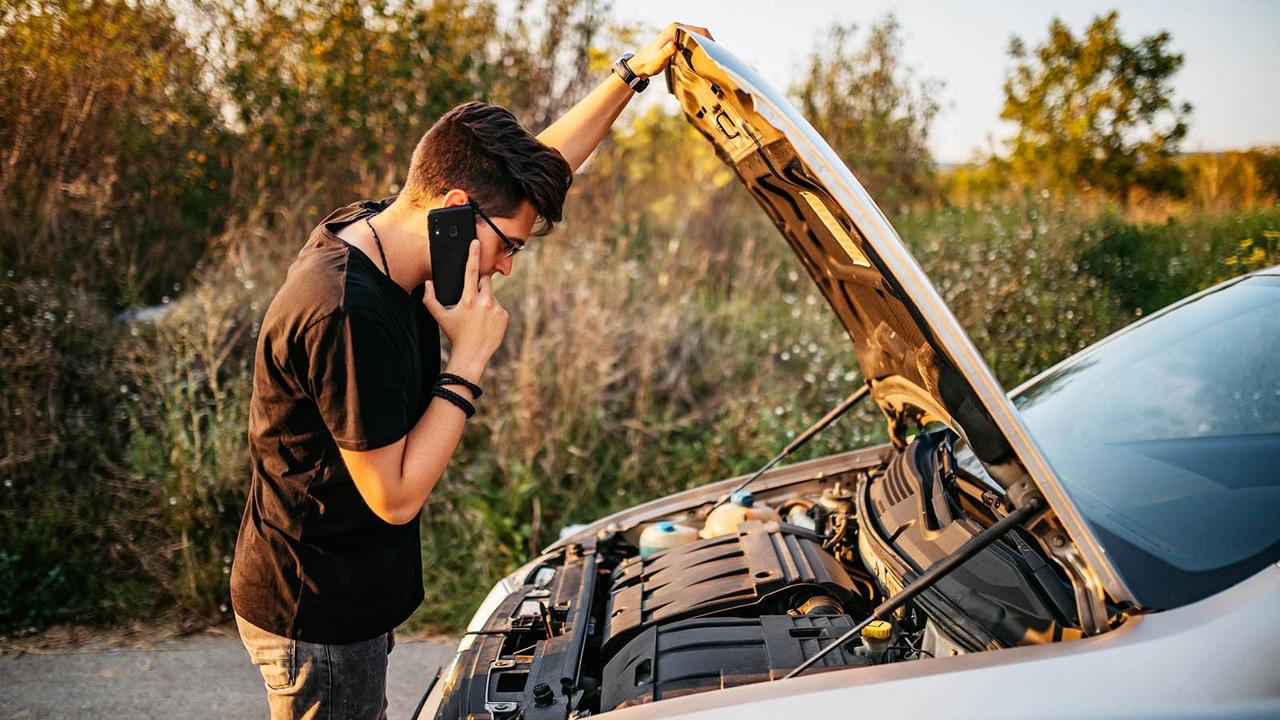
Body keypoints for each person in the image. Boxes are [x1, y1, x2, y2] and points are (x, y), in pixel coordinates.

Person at [228, 21, 711, 720]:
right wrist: (470, 359)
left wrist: (632, 75)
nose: (508, 266)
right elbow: (394, 496)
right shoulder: (345, 312)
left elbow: (541, 167)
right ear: (457, 209)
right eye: (509, 245)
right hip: (319, 610)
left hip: (350, 582)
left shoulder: (395, 230)